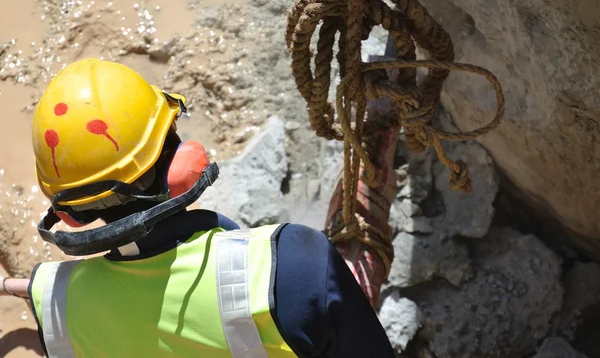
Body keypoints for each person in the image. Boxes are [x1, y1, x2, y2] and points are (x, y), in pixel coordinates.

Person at [0, 58, 398, 358]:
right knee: (354, 260)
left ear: (69, 213)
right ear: (179, 166)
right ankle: (381, 131)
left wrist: (23, 288)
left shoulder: (58, 309)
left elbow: (58, 296)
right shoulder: (295, 264)